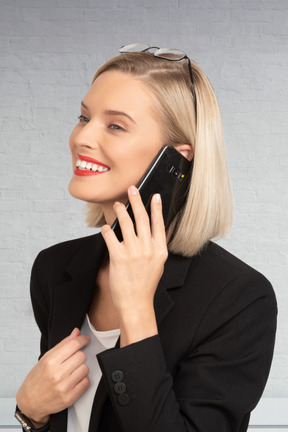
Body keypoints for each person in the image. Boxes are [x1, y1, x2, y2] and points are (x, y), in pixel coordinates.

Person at [15, 44, 277, 432]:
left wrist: (137, 309)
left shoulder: (238, 299)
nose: (82, 137)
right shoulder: (55, 269)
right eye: (83, 117)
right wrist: (30, 413)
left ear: (176, 161)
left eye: (115, 125)